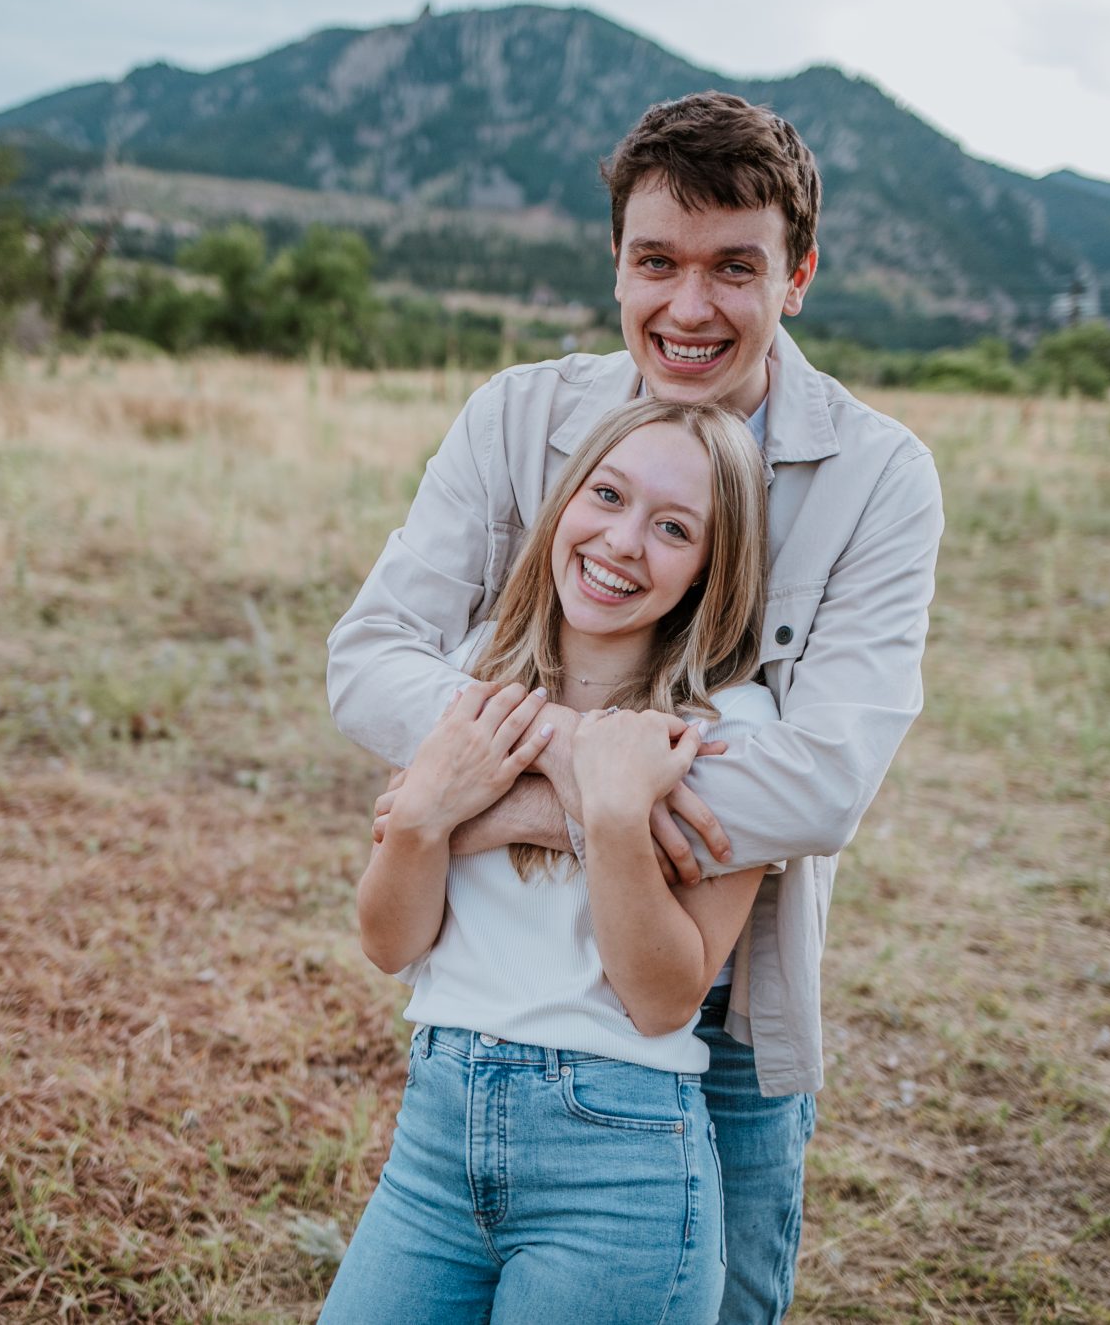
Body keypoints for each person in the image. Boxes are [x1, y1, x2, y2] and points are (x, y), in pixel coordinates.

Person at [327, 91, 944, 1322]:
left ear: (797, 276)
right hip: (482, 1026)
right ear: (615, 262)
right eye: (655, 262)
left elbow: (817, 784)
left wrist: (478, 799)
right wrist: (587, 763)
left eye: (735, 268)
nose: (689, 306)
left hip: (719, 1018)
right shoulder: (520, 415)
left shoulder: (879, 476)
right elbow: (370, 660)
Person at [320, 397, 775, 1324]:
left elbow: (660, 997)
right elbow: (387, 939)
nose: (621, 542)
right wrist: (424, 824)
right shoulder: (471, 681)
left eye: (674, 527)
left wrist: (609, 819)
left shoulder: (728, 733)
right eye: (606, 494)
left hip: (619, 1164)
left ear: (705, 571)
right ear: (565, 498)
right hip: (436, 1138)